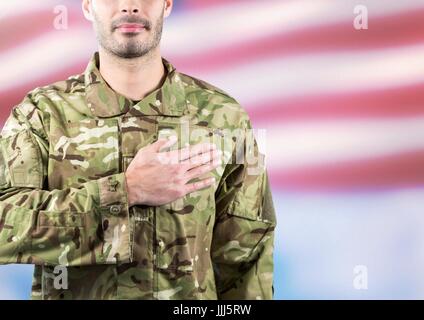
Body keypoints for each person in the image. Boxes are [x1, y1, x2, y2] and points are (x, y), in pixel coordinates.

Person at [0, 0, 276, 300]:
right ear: (88, 6)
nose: (130, 6)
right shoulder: (41, 114)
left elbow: (247, 259)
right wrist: (126, 191)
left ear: (167, 4)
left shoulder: (225, 117)